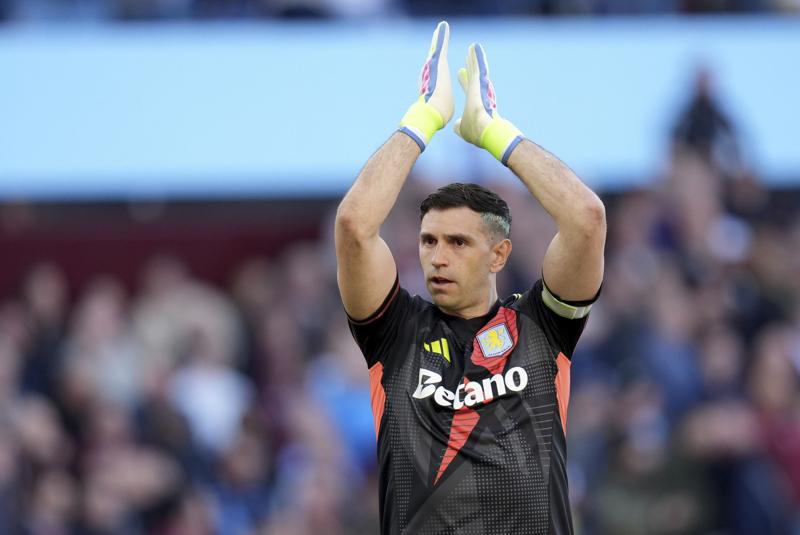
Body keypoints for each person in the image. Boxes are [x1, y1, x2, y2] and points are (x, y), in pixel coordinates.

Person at [334, 21, 606, 535]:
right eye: (429, 241)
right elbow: (353, 226)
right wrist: (425, 117)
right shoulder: (395, 334)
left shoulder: (541, 328)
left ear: (499, 254)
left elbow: (587, 219)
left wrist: (492, 132)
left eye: (458, 243)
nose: (438, 257)